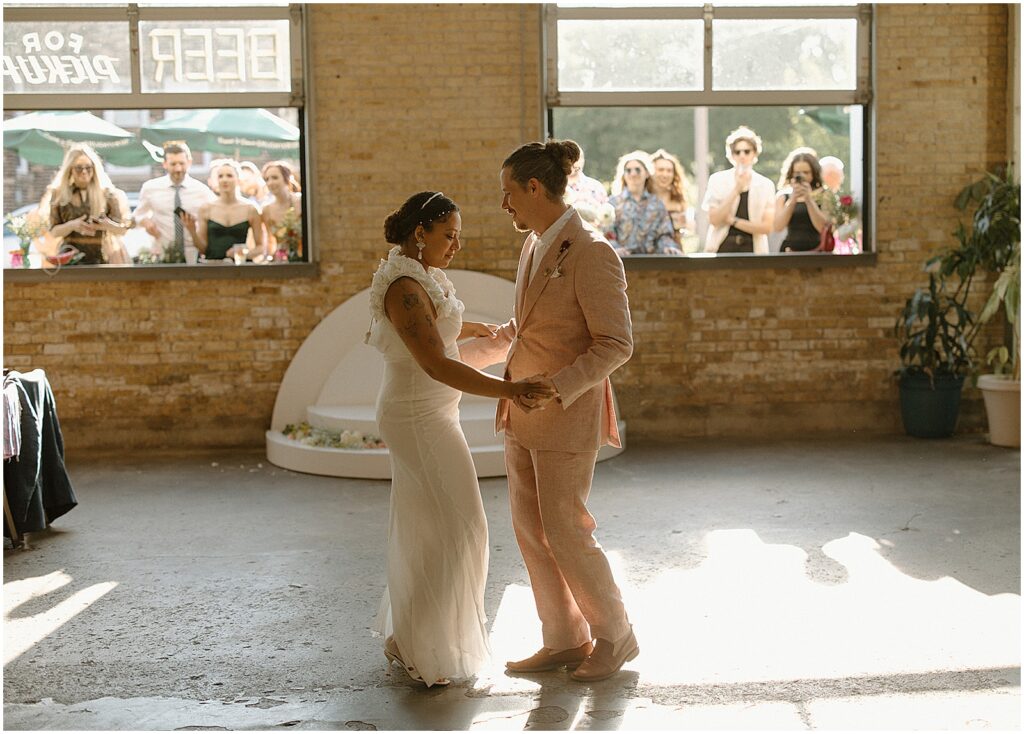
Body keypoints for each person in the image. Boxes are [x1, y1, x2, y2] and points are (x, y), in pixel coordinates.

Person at [463, 139, 638, 683]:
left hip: (565, 413)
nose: (503, 204)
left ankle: (616, 636)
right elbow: (526, 329)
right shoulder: (533, 246)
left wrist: (558, 386)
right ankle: (564, 639)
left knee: (568, 531)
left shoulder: (592, 252)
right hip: (519, 414)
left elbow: (615, 344)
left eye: (508, 193)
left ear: (534, 188)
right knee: (532, 532)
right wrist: (455, 355)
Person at [366, 191, 553, 687]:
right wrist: (510, 389)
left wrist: (485, 332)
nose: (456, 245)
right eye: (449, 235)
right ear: (420, 233)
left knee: (434, 529)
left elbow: (438, 328)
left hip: (429, 413)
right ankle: (420, 644)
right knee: (462, 528)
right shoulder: (403, 286)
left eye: (457, 235)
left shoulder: (419, 276)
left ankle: (408, 638)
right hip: (416, 416)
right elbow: (436, 361)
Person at [44, 144, 131, 265]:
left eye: (88, 167)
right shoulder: (59, 194)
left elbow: (123, 230)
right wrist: (72, 225)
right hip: (70, 258)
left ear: (94, 168)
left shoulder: (108, 194)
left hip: (103, 257)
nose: (84, 172)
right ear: (70, 169)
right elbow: (53, 232)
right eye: (79, 168)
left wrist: (106, 225)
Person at [134, 142, 216, 261]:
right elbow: (137, 216)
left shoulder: (202, 191)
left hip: (193, 255)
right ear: (165, 164)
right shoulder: (150, 188)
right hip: (161, 254)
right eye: (173, 164)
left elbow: (215, 219)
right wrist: (145, 222)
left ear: (189, 162)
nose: (178, 168)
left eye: (182, 163)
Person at [702, 126, 776, 254]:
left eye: (747, 151)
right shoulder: (717, 180)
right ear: (731, 154)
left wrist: (733, 221)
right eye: (737, 152)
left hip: (754, 250)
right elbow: (714, 219)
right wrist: (737, 190)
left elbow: (766, 227)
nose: (742, 156)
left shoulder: (765, 184)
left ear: (754, 153)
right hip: (722, 247)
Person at [184, 159, 264, 262]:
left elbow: (260, 247)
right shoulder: (206, 209)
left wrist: (243, 254)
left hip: (240, 269)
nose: (224, 180)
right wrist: (192, 231)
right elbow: (203, 249)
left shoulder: (250, 209)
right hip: (214, 267)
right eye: (220, 176)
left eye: (229, 176)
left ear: (238, 180)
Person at [608, 150, 681, 256]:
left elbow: (664, 234)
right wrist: (615, 248)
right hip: (620, 262)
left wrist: (667, 247)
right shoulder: (613, 203)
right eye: (628, 170)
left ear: (647, 173)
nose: (633, 174)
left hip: (650, 265)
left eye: (637, 170)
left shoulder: (657, 204)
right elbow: (607, 234)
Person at [774, 148, 832, 253]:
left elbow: (823, 228)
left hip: (817, 251)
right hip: (790, 251)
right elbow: (778, 227)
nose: (802, 176)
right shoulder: (783, 196)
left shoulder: (824, 195)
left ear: (814, 173)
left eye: (806, 172)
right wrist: (793, 200)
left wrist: (809, 200)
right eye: (797, 173)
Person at [260, 161, 303, 257]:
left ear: (286, 178)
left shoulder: (301, 201)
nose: (270, 182)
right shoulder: (266, 210)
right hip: (281, 258)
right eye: (267, 179)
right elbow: (270, 241)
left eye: (275, 178)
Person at [651, 148, 692, 243]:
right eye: (660, 170)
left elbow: (687, 228)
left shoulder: (679, 197)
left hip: (674, 250)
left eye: (669, 171)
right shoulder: (642, 197)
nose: (665, 174)